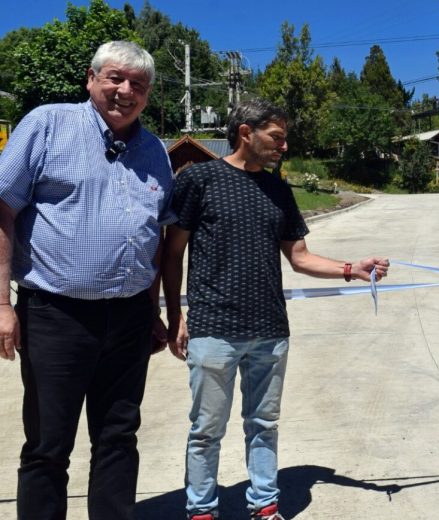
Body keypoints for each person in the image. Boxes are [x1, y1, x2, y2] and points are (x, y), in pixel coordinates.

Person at [162, 98, 390, 520]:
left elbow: (300, 256)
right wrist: (176, 316)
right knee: (206, 431)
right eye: (276, 137)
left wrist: (350, 268)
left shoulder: (278, 190)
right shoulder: (200, 181)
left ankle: (264, 506)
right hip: (213, 329)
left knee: (264, 426)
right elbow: (172, 253)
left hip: (269, 331)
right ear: (245, 133)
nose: (283, 147)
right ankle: (200, 511)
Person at [0, 41, 173, 519]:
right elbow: (3, 210)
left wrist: (154, 309)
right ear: (91, 79)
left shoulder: (155, 149)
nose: (125, 91)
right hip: (57, 315)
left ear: (148, 93)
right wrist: (1, 306)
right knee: (48, 444)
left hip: (131, 317)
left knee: (118, 438)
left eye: (138, 84)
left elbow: (155, 235)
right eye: (115, 78)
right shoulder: (47, 124)